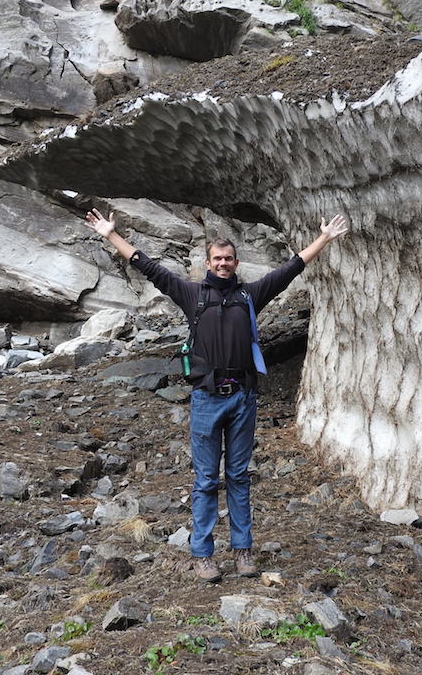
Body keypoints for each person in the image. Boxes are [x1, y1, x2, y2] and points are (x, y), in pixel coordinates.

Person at [84, 208, 349, 582]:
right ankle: (203, 555)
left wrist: (323, 238)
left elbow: (291, 269)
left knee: (239, 476)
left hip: (242, 397)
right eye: (217, 259)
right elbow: (148, 266)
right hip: (207, 399)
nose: (223, 264)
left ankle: (242, 552)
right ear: (207, 263)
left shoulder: (251, 294)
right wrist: (111, 234)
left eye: (228, 259)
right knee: (207, 479)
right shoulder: (192, 294)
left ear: (235, 262)